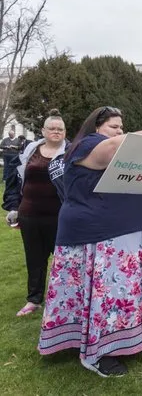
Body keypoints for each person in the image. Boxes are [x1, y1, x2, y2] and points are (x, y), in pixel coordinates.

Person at [38, 106, 142, 378]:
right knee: (112, 293)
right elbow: (115, 148)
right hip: (103, 235)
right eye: (114, 126)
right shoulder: (87, 145)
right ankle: (99, 352)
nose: (119, 131)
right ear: (96, 127)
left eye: (121, 127)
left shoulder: (111, 145)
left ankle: (135, 336)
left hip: (132, 230)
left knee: (128, 292)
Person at [2, 110, 68, 317]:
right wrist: (14, 206)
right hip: (29, 214)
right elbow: (14, 179)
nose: (56, 132)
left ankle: (65, 300)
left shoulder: (71, 153)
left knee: (64, 259)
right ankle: (34, 300)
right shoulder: (30, 150)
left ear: (65, 132)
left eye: (60, 129)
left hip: (60, 216)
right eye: (52, 128)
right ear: (43, 131)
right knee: (34, 259)